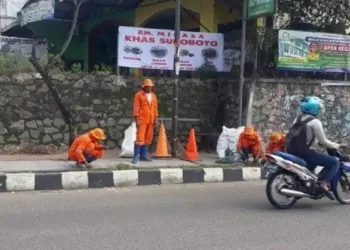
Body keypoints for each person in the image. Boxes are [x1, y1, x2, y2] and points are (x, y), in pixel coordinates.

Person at [285, 96, 340, 200]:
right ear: (313, 108)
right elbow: (323, 141)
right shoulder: (315, 122)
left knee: (315, 162)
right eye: (318, 108)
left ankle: (307, 184)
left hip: (293, 151)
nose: (319, 110)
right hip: (307, 153)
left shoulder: (298, 118)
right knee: (334, 162)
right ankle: (324, 184)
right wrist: (334, 145)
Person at [132, 78, 159, 163]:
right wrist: (137, 119)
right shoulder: (138, 95)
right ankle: (136, 157)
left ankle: (143, 156)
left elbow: (155, 109)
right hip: (142, 120)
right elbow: (136, 107)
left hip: (151, 120)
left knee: (148, 138)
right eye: (148, 86)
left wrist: (156, 119)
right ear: (144, 87)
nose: (149, 88)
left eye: (151, 87)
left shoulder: (154, 96)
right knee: (140, 139)